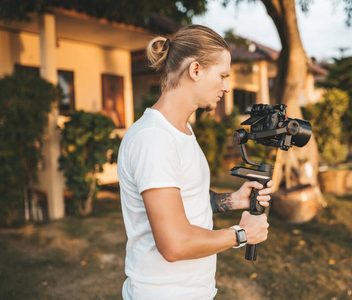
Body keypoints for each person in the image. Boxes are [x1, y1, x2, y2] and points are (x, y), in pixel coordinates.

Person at [117, 24, 273, 300]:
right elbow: (174, 244)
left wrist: (231, 200)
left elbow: (180, 203)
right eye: (223, 75)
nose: (226, 87)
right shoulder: (153, 138)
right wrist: (242, 233)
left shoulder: (181, 131)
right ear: (196, 70)